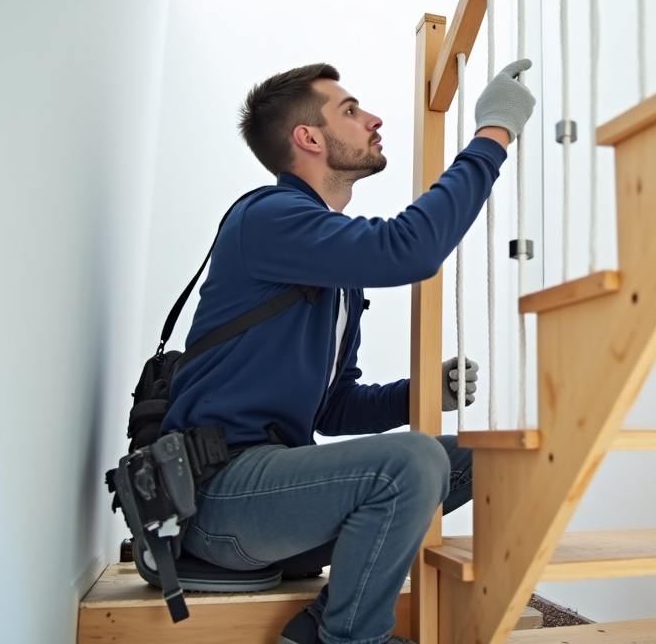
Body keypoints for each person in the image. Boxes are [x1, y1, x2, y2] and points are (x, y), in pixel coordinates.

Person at [160, 58, 536, 644]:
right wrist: (492, 135)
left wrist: (420, 395)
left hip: (278, 499)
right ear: (308, 138)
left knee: (489, 457)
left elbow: (332, 410)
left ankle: (317, 627)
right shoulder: (268, 218)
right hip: (220, 501)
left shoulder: (331, 268)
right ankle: (352, 638)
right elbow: (409, 249)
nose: (374, 119)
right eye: (351, 111)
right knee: (412, 461)